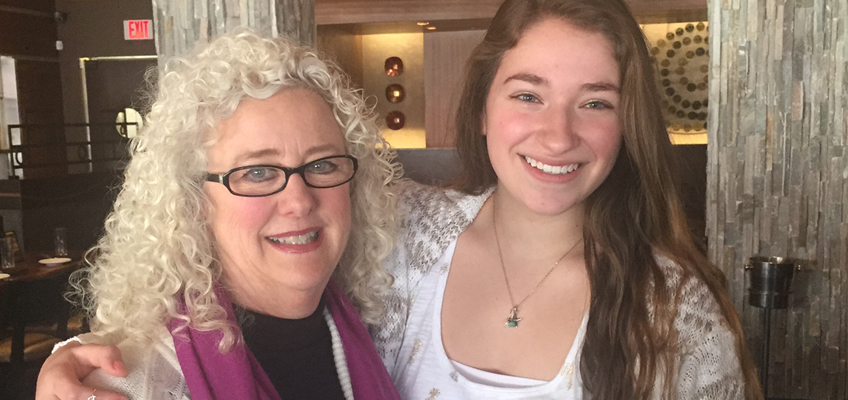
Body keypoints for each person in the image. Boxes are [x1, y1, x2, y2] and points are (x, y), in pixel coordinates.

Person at [38, 0, 763, 399]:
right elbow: (219, 282)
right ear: (482, 108)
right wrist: (80, 360)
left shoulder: (673, 312)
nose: (557, 132)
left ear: (626, 125)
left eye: (595, 102)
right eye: (527, 94)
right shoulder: (410, 237)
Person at [36, 29, 402, 400]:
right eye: (257, 172)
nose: (299, 200)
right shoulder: (135, 384)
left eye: (322, 165)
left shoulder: (376, 334)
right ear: (193, 201)